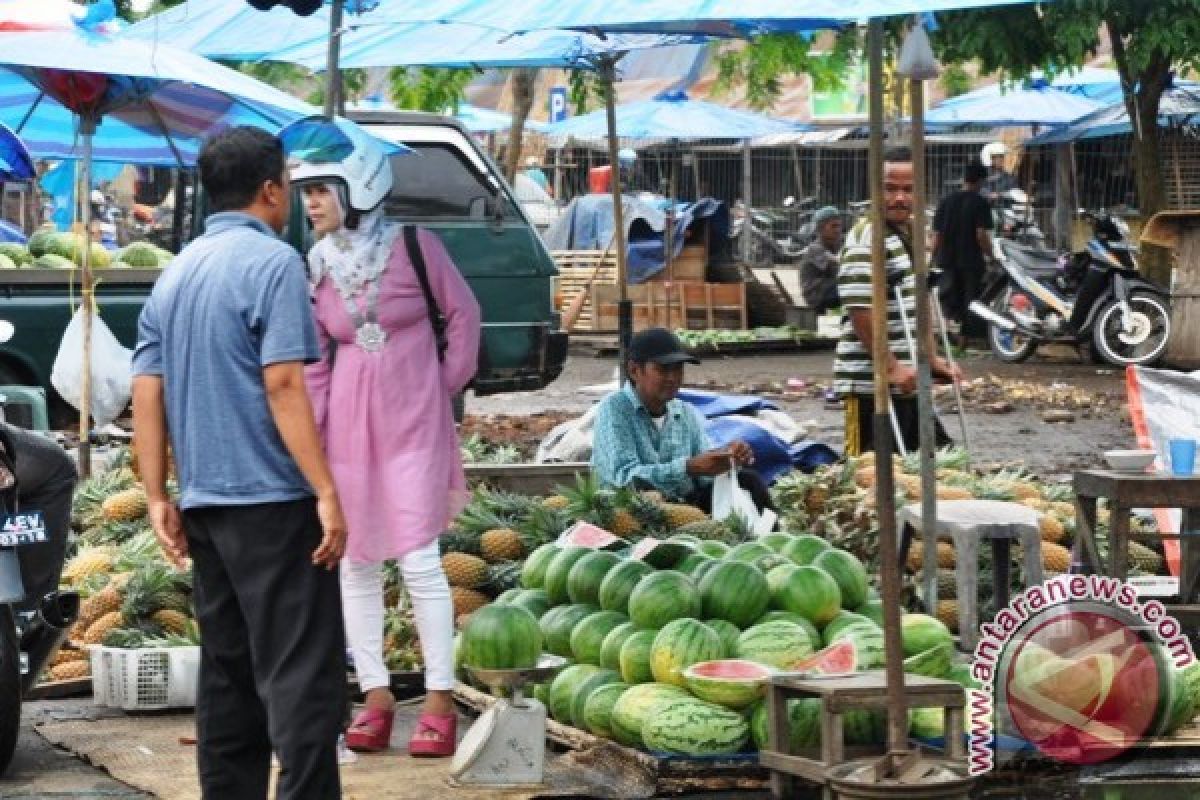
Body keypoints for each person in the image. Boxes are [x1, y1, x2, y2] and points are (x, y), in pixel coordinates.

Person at [132, 126, 348, 800]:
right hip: (274, 500)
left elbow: (147, 391)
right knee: (300, 678)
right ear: (271, 189)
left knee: (228, 679)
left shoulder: (178, 271)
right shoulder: (275, 263)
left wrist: (157, 494)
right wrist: (325, 490)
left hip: (205, 505)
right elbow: (284, 384)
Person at [294, 124, 482, 757]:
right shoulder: (314, 266)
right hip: (346, 428)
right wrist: (315, 433)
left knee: (421, 559)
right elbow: (316, 358)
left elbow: (464, 317)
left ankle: (438, 695)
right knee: (356, 560)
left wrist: (439, 385)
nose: (311, 202)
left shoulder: (417, 247)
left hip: (414, 424)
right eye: (306, 192)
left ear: (361, 185)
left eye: (321, 189)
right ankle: (373, 691)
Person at [833, 146, 965, 456]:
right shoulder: (867, 238)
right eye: (890, 189)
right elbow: (860, 310)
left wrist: (931, 359)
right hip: (869, 386)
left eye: (908, 190)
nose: (899, 198)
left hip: (908, 380)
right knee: (870, 473)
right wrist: (890, 366)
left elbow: (918, 303)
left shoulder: (907, 234)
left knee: (935, 462)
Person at [592, 327, 773, 513]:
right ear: (634, 370)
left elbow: (705, 476)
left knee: (749, 481)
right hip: (631, 512)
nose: (672, 378)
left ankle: (772, 540)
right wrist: (687, 467)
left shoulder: (684, 412)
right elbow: (622, 478)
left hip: (684, 509)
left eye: (678, 369)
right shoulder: (614, 408)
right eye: (662, 369)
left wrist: (727, 459)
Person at [932, 162, 995, 343]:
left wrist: (931, 258)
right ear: (981, 181)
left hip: (947, 259)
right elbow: (981, 234)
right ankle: (965, 338)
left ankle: (945, 334)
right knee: (971, 299)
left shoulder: (945, 201)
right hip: (971, 261)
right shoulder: (980, 203)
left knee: (948, 296)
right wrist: (990, 255)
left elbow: (937, 235)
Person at [799, 206, 844, 313]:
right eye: (833, 226)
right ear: (821, 228)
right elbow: (839, 262)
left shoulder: (836, 246)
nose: (838, 230)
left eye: (839, 226)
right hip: (817, 296)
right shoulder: (815, 248)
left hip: (828, 291)